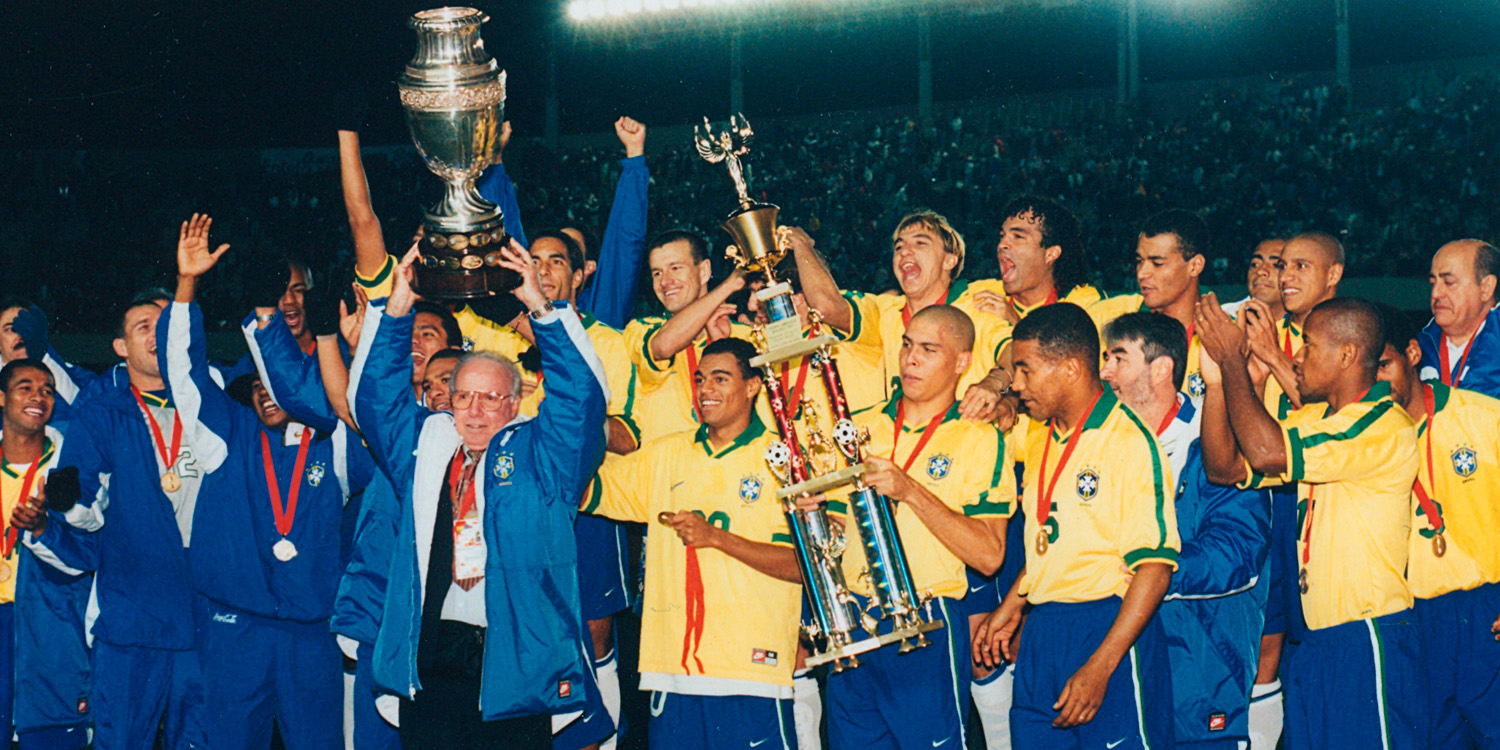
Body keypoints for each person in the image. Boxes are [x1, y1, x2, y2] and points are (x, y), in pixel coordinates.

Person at [349, 243, 609, 749]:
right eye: (463, 395)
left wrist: (541, 308)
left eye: (490, 398)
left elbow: (582, 398)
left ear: (514, 403)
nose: (473, 410)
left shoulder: (544, 455)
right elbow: (374, 403)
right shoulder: (428, 446)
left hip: (515, 658)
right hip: (434, 656)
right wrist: (397, 307)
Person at [160, 214, 378, 750]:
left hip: (312, 629)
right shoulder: (225, 428)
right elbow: (183, 375)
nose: (289, 300)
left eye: (300, 290)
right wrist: (187, 287)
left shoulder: (339, 428)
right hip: (237, 625)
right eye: (277, 292)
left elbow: (340, 402)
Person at [1195, 294, 1424, 749]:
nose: (1296, 358)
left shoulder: (1379, 423)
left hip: (1366, 636)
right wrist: (1221, 381)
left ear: (1346, 355)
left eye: (1308, 346)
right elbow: (1225, 467)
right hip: (1318, 640)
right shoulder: (1320, 419)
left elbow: (1265, 450)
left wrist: (1235, 362)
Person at [19, 228, 214, 750]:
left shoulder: (212, 405)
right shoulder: (102, 414)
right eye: (142, 326)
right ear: (120, 347)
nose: (155, 335)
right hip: (133, 621)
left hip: (209, 618)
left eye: (164, 324)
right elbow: (83, 499)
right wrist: (68, 501)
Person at [455, 228, 640, 750]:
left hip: (582, 503)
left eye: (555, 262)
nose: (541, 271)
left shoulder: (607, 340)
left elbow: (622, 430)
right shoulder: (503, 340)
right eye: (531, 261)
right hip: (513, 506)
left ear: (579, 275)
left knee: (592, 635)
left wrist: (559, 431)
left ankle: (601, 739)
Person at [584, 337, 804, 749]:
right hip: (671, 669)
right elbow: (588, 490)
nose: (705, 390)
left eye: (721, 379)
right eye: (701, 379)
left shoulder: (782, 458)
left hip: (750, 670)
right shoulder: (667, 453)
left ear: (753, 385)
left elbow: (803, 564)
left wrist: (717, 539)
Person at [976, 302, 1178, 749]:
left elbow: (1155, 568)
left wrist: (1101, 665)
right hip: (1044, 628)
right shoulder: (1041, 433)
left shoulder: (1128, 442)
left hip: (1105, 625)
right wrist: (1013, 605)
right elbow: (1056, 537)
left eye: (1025, 370)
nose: (1018, 384)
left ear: (1069, 369)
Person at [809, 305, 1009, 749]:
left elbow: (989, 555)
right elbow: (839, 537)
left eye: (929, 349)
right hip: (856, 619)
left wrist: (911, 491)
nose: (911, 359)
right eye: (906, 345)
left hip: (926, 622)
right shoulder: (861, 428)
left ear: (961, 363)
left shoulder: (977, 437)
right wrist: (815, 517)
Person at [1100, 312, 1271, 749]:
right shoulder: (1101, 444)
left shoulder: (1215, 441)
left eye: (1118, 358)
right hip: (1121, 655)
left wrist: (1148, 573)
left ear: (1161, 369)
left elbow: (1237, 551)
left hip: (1199, 663)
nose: (1104, 372)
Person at [1376, 307, 1500, 748]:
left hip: (1484, 610)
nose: (1377, 383)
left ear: (1412, 353)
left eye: (1385, 366)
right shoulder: (1365, 437)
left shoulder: (1483, 415)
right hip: (1408, 619)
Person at [791, 210, 1016, 420]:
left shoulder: (976, 302)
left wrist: (993, 383)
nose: (905, 251)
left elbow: (1017, 349)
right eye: (899, 247)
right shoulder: (883, 311)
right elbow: (825, 307)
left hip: (966, 445)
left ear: (949, 260)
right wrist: (802, 246)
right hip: (901, 447)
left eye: (920, 243)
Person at [2, 359, 92, 750]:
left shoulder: (71, 468)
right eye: (26, 387)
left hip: (48, 624)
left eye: (48, 390)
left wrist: (42, 529)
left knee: (51, 738)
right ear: (1, 398)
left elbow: (86, 558)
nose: (39, 396)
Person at [623, 229, 751, 444]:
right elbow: (664, 346)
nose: (665, 281)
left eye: (675, 268)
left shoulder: (745, 335)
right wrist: (729, 285)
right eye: (657, 273)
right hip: (671, 473)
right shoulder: (641, 330)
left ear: (703, 271)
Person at [1087, 208, 1215, 404]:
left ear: (1195, 266)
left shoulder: (1223, 334)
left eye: (1157, 263)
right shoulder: (1105, 315)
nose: (1142, 274)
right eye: (1139, 261)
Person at [1251, 232, 1345, 417]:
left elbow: (1336, 418)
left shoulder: (1353, 343)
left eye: (1300, 266)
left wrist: (1274, 356)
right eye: (1282, 266)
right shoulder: (1262, 336)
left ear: (1333, 275)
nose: (1285, 277)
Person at [973, 196, 1102, 323]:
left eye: (1018, 236)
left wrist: (1015, 321)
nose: (1002, 244)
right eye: (1002, 235)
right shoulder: (984, 292)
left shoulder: (1084, 303)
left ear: (1050, 254)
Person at [1418, 239, 1500, 397]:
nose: (1435, 293)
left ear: (1486, 288)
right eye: (1433, 283)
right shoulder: (1417, 347)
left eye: (1449, 282)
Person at [1221, 238, 1286, 320]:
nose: (1260, 271)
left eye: (1276, 265)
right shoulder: (1224, 316)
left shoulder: (1304, 327)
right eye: (1255, 264)